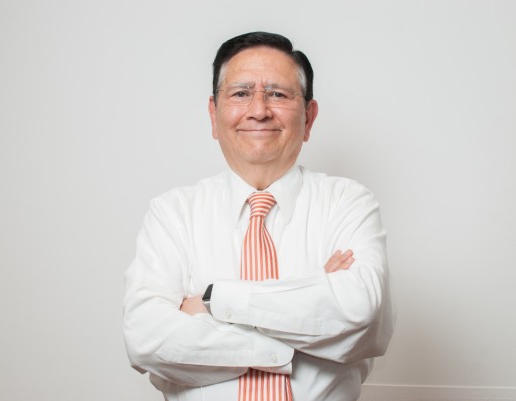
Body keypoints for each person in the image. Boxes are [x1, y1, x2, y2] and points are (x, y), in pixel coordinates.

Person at [123, 31, 394, 401]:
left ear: (309, 117)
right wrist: (306, 321)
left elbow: (364, 318)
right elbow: (146, 340)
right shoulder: (173, 213)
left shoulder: (348, 202)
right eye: (241, 93)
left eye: (278, 94)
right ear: (214, 115)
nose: (259, 109)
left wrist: (212, 303)